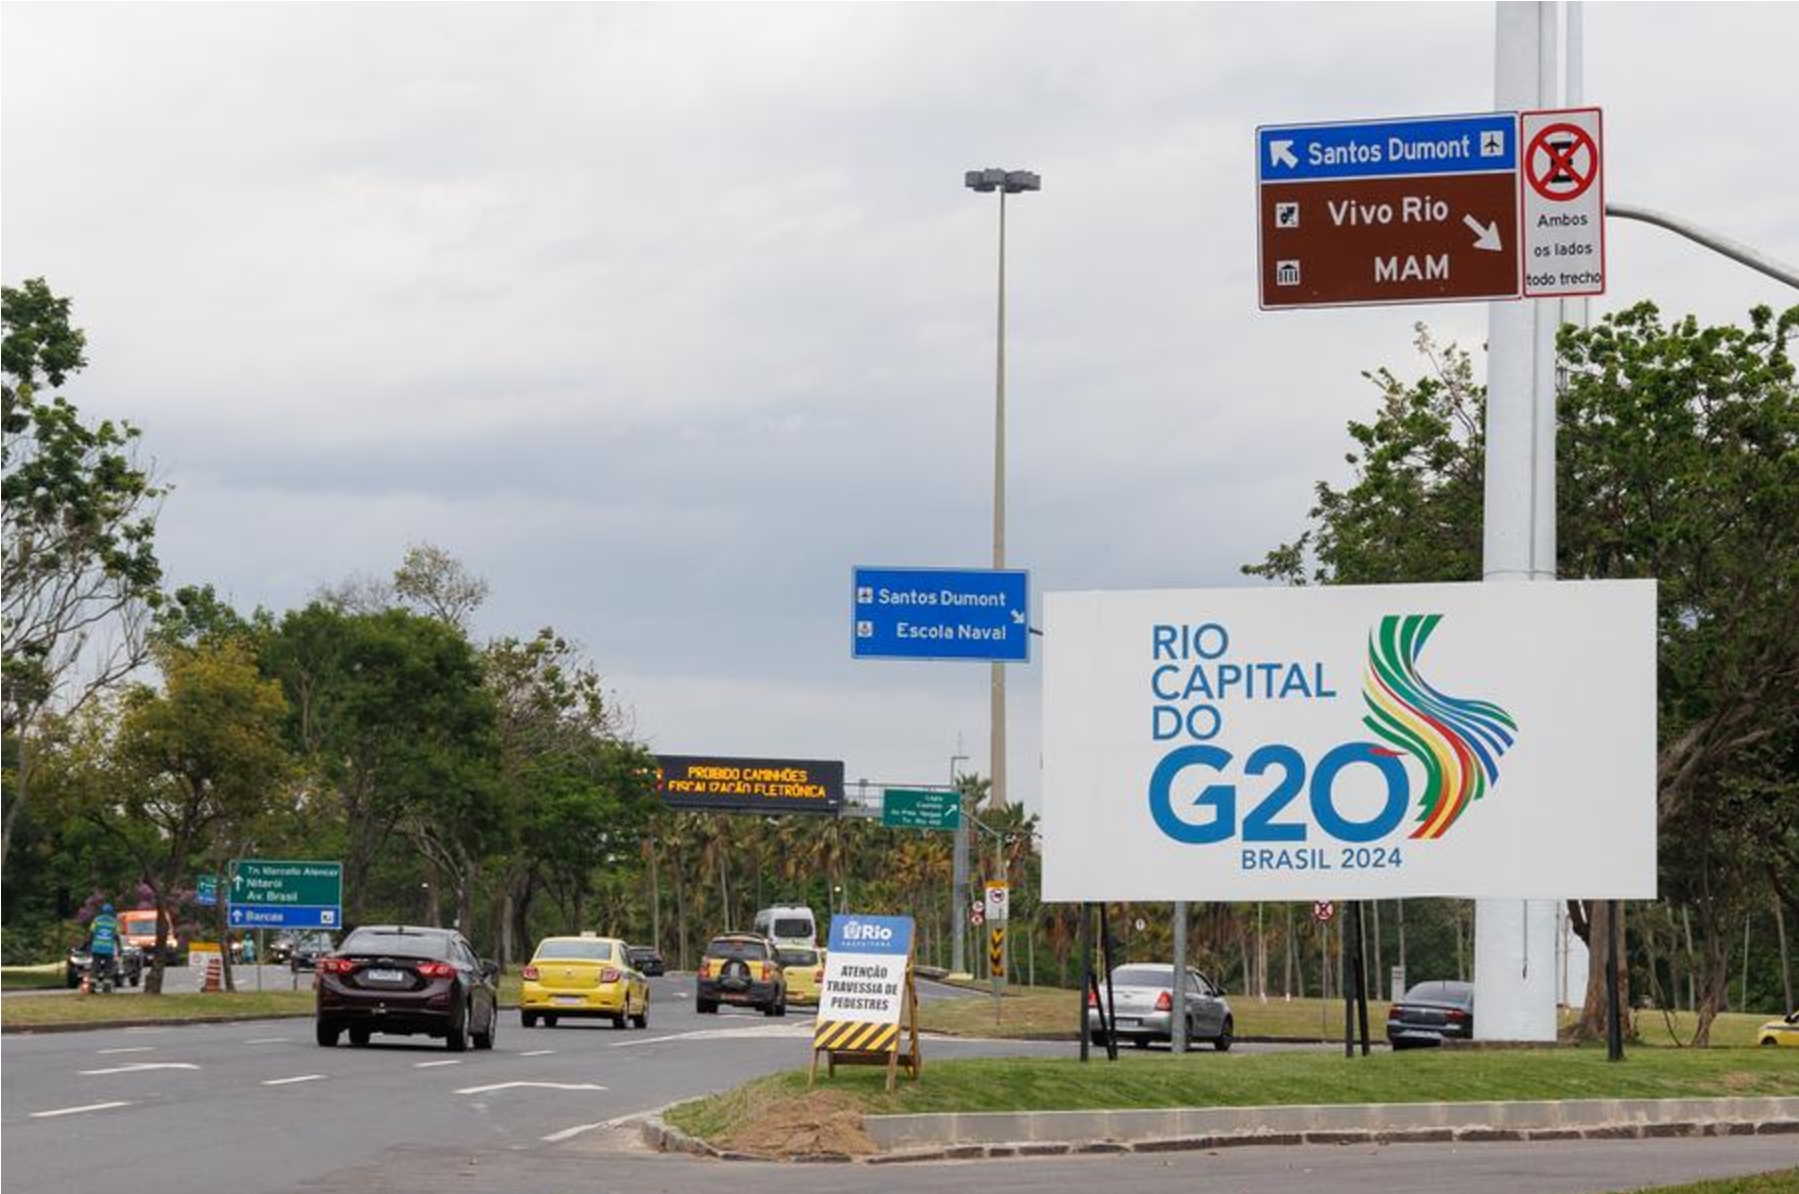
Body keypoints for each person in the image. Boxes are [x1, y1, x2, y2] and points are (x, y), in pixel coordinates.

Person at [89, 903, 120, 991]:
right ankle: (107, 987)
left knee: (95, 967)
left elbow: (91, 933)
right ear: (111, 912)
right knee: (108, 968)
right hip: (108, 949)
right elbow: (117, 936)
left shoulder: (97, 920)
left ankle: (92, 986)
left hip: (97, 948)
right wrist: (119, 948)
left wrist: (89, 945)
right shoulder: (114, 922)